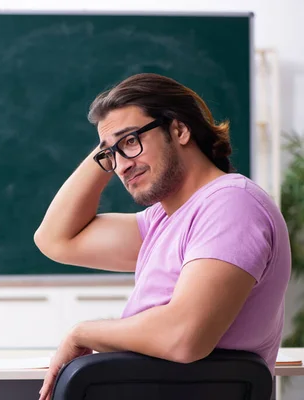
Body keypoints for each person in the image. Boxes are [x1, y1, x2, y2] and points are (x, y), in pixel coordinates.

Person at [33, 73, 291, 400]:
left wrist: (82, 333)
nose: (121, 166)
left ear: (179, 129)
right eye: (112, 156)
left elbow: (184, 338)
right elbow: (56, 240)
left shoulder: (231, 204)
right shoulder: (163, 219)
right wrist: (109, 143)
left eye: (131, 141)